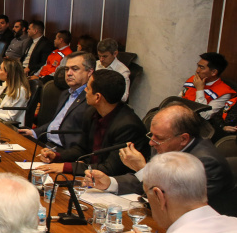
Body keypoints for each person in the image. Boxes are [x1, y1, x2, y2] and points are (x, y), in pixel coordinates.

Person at [86, 104, 237, 216]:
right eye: (151, 135)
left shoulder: (206, 163)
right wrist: (110, 183)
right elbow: (141, 181)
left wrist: (144, 169)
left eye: (158, 137)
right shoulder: (164, 144)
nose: (151, 142)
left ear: (183, 139)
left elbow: (175, 203)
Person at [39, 69, 148, 176]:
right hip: (90, 174)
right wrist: (57, 156)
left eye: (88, 87)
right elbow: (81, 149)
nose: (85, 90)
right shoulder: (92, 113)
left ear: (97, 97)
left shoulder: (128, 127)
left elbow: (110, 169)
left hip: (114, 182)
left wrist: (66, 167)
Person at [20, 51, 95, 150]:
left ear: (89, 72)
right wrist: (33, 132)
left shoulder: (92, 99)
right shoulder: (65, 93)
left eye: (75, 69)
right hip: (47, 145)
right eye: (67, 69)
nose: (69, 73)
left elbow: (83, 138)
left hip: (65, 151)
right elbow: (56, 124)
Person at [178, 52, 235, 119]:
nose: (197, 70)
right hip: (179, 116)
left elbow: (204, 116)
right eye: (198, 66)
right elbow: (179, 99)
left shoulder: (224, 92)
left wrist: (200, 90)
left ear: (213, 72)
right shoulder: (193, 79)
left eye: (201, 68)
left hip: (196, 122)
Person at [0, 58, 30, 125]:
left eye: (1, 69)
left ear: (8, 73)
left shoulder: (20, 91)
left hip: (10, 126)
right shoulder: (5, 85)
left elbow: (10, 117)